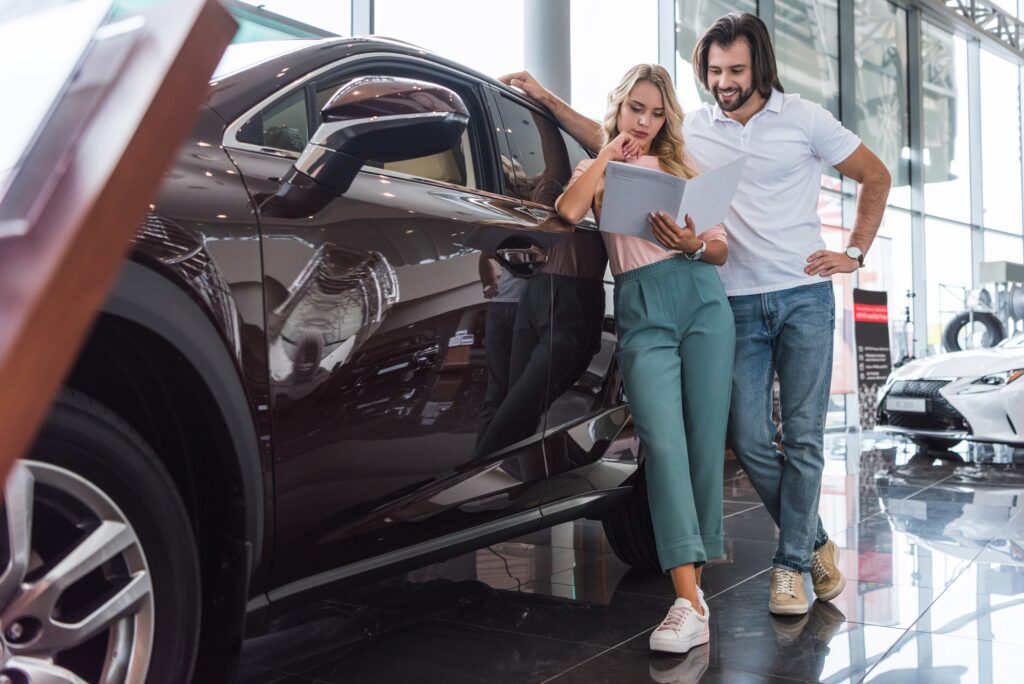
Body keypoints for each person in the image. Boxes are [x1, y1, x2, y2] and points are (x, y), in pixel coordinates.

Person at [503, 11, 891, 616]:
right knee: (748, 439)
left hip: (797, 293)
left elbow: (874, 175)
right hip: (731, 299)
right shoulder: (695, 131)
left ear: (760, 67)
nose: (723, 82)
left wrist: (855, 254)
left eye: (735, 70)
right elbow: (608, 134)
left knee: (800, 437)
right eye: (713, 71)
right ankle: (813, 540)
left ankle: (790, 564)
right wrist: (548, 100)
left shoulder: (800, 119)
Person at [556, 63, 734, 654]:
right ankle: (689, 601)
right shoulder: (599, 167)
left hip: (701, 298)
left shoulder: (683, 168)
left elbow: (720, 249)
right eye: (637, 108)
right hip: (641, 304)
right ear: (619, 106)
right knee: (663, 445)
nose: (646, 121)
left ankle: (690, 598)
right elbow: (568, 210)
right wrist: (609, 152)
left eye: (657, 113)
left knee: (704, 444)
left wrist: (693, 244)